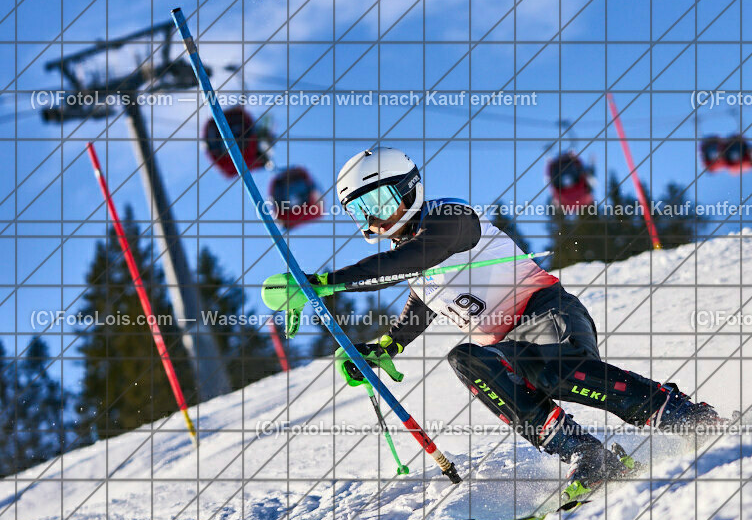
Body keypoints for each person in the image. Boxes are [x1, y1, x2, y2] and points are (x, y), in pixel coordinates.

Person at [266, 147, 722, 498]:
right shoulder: (411, 259)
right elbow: (420, 301)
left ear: (408, 188)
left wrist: (321, 282)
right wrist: (387, 345)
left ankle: (682, 413)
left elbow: (417, 258)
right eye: (360, 210)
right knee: (467, 359)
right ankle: (588, 455)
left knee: (552, 370)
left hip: (547, 314)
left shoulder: (449, 218)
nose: (374, 218)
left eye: (380, 200)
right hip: (510, 346)